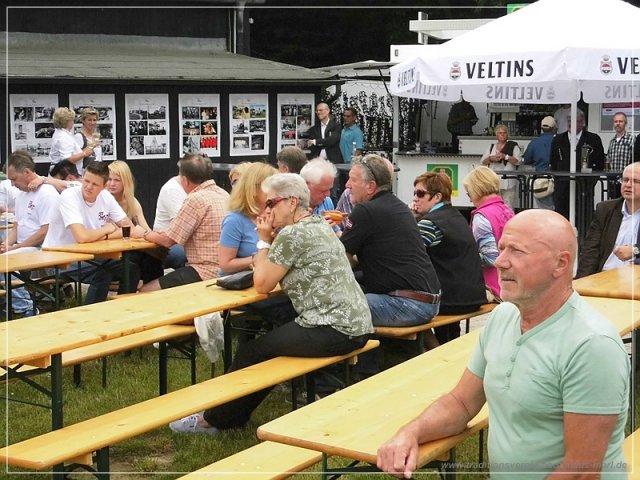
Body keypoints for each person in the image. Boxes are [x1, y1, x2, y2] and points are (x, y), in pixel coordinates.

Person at [377, 210, 629, 480]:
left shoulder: (592, 345)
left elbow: (581, 471)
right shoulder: (504, 316)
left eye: (517, 251)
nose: (499, 261)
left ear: (560, 264)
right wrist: (410, 433)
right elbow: (461, 403)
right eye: (501, 249)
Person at [169, 173, 373, 434]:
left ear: (291, 202)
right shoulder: (318, 224)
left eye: (270, 203)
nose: (265, 211)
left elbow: (263, 284)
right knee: (271, 331)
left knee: (252, 352)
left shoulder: (292, 234)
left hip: (333, 327)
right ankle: (230, 413)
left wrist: (264, 240)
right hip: (357, 323)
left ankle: (215, 420)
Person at [341, 154, 441, 329]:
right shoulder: (399, 207)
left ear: (371, 186)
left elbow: (339, 258)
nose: (347, 185)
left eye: (353, 180)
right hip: (428, 301)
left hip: (406, 304)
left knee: (330, 307)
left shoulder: (365, 210)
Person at [42, 161, 142, 304]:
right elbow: (81, 237)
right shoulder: (69, 196)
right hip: (59, 256)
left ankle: (121, 309)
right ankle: (91, 314)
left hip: (89, 254)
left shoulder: (106, 197)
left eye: (94, 184)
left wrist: (104, 236)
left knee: (131, 269)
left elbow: (129, 228)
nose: (88, 187)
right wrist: (106, 229)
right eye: (86, 181)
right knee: (103, 270)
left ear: (104, 186)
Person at [411, 172, 486, 344]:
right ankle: (442, 348)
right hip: (472, 296)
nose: (415, 198)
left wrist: (412, 220)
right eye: (414, 193)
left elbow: (407, 254)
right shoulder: (456, 216)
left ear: (437, 197)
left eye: (420, 194)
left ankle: (430, 352)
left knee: (405, 306)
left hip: (450, 299)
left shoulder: (429, 223)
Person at [137, 153, 228, 291]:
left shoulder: (195, 199)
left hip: (205, 271)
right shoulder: (224, 194)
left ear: (185, 180)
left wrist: (143, 233)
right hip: (227, 269)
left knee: (145, 291)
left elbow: (168, 240)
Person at [2, 151, 60, 317]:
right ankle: (17, 302)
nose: (12, 184)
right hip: (24, 246)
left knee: (4, 261)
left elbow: (45, 231)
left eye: (14, 179)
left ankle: (25, 307)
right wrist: (6, 244)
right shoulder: (21, 195)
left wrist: (15, 247)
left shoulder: (47, 193)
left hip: (42, 247)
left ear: (27, 172)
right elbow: (17, 226)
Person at [576, 161, 640, 277]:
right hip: (605, 275)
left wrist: (635, 250)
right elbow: (590, 251)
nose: (628, 185)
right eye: (625, 180)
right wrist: (581, 283)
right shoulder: (605, 209)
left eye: (635, 181)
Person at [107, 160, 164, 284]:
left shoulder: (132, 201)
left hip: (130, 247)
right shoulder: (102, 201)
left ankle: (152, 292)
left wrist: (150, 236)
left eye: (117, 180)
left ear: (126, 181)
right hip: (111, 250)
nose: (112, 184)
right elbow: (111, 232)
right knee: (135, 262)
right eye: (109, 179)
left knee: (152, 260)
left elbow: (145, 228)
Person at [463, 166, 515, 300]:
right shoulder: (507, 210)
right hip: (511, 281)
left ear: (476, 189)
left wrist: (464, 256)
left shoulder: (481, 218)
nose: (470, 199)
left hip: (492, 286)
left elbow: (491, 259)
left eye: (469, 194)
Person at [219, 162, 278, 275]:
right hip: (241, 282)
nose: (275, 191)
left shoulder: (277, 213)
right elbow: (225, 264)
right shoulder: (234, 220)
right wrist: (257, 258)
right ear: (253, 189)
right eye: (270, 186)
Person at [550, 110, 605, 220]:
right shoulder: (558, 140)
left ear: (582, 122)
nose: (571, 124)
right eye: (569, 120)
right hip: (562, 188)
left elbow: (599, 163)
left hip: (585, 187)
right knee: (562, 219)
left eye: (575, 121)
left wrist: (591, 182)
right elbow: (553, 162)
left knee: (584, 218)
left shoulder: (593, 139)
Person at [480, 124, 521, 209]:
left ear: (507, 134)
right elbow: (483, 162)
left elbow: (518, 162)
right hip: (494, 182)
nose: (502, 134)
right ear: (496, 135)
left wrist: (505, 157)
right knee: (495, 207)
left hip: (508, 182)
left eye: (504, 133)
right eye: (500, 133)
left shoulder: (513, 146)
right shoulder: (491, 147)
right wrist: (491, 158)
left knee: (508, 207)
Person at [154, 174, 188, 269]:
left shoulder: (205, 190)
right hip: (168, 243)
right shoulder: (172, 189)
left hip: (186, 240)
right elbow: (181, 228)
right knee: (182, 253)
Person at [522, 116, 556, 209]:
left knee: (543, 209)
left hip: (540, 180)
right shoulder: (559, 141)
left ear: (541, 128)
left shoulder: (535, 142)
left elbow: (527, 160)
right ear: (554, 128)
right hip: (558, 177)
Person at [48, 107, 94, 174]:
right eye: (72, 120)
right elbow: (67, 160)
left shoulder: (61, 133)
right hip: (65, 174)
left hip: (65, 172)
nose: (73, 122)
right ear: (67, 121)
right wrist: (84, 153)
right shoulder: (63, 137)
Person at [606, 112, 634, 200]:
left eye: (620, 121)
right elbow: (608, 159)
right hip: (612, 182)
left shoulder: (632, 140)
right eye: (616, 121)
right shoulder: (612, 141)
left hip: (626, 182)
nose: (618, 124)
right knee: (614, 204)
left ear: (625, 123)